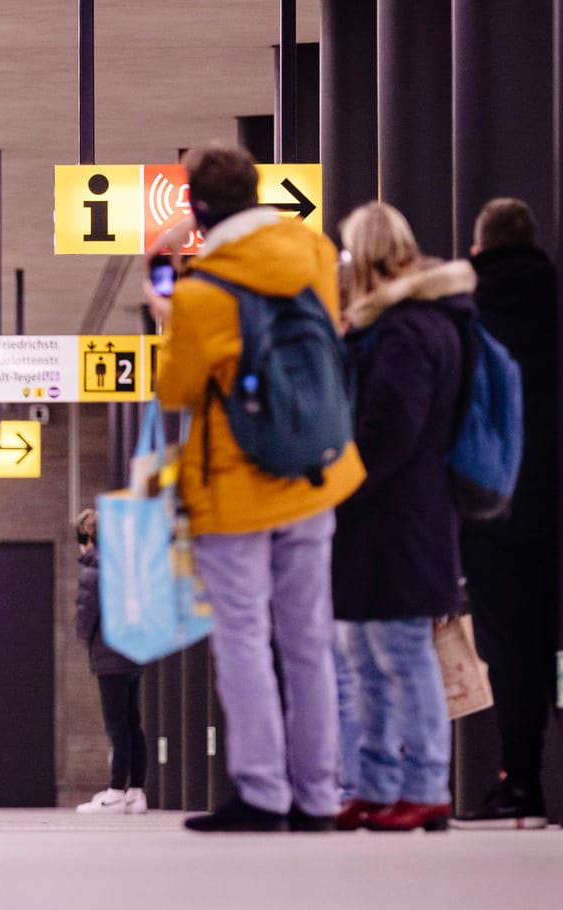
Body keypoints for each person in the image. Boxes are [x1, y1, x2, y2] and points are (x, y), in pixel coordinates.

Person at [154, 145, 365, 833]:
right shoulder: (312, 252)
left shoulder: (201, 292)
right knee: (309, 638)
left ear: (198, 208)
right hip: (313, 471)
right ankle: (316, 795)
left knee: (244, 636)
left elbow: (178, 391)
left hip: (236, 488)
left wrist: (167, 315)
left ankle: (262, 792)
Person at [329, 202, 469, 832]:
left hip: (398, 515)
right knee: (365, 653)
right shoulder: (409, 324)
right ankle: (378, 781)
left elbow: (391, 429)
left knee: (403, 653)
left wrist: (336, 482)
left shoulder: (408, 329)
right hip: (383, 515)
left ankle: (426, 785)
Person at [456, 198, 560, 829]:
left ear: (478, 249)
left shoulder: (471, 317)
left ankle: (520, 781)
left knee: (513, 650)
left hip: (496, 507)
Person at [73, 508, 149, 815]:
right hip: (134, 653)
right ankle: (136, 792)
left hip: (109, 655)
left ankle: (115, 792)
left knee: (116, 725)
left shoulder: (95, 569)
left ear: (88, 537)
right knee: (133, 723)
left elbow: (85, 615)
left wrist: (84, 638)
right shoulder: (129, 566)